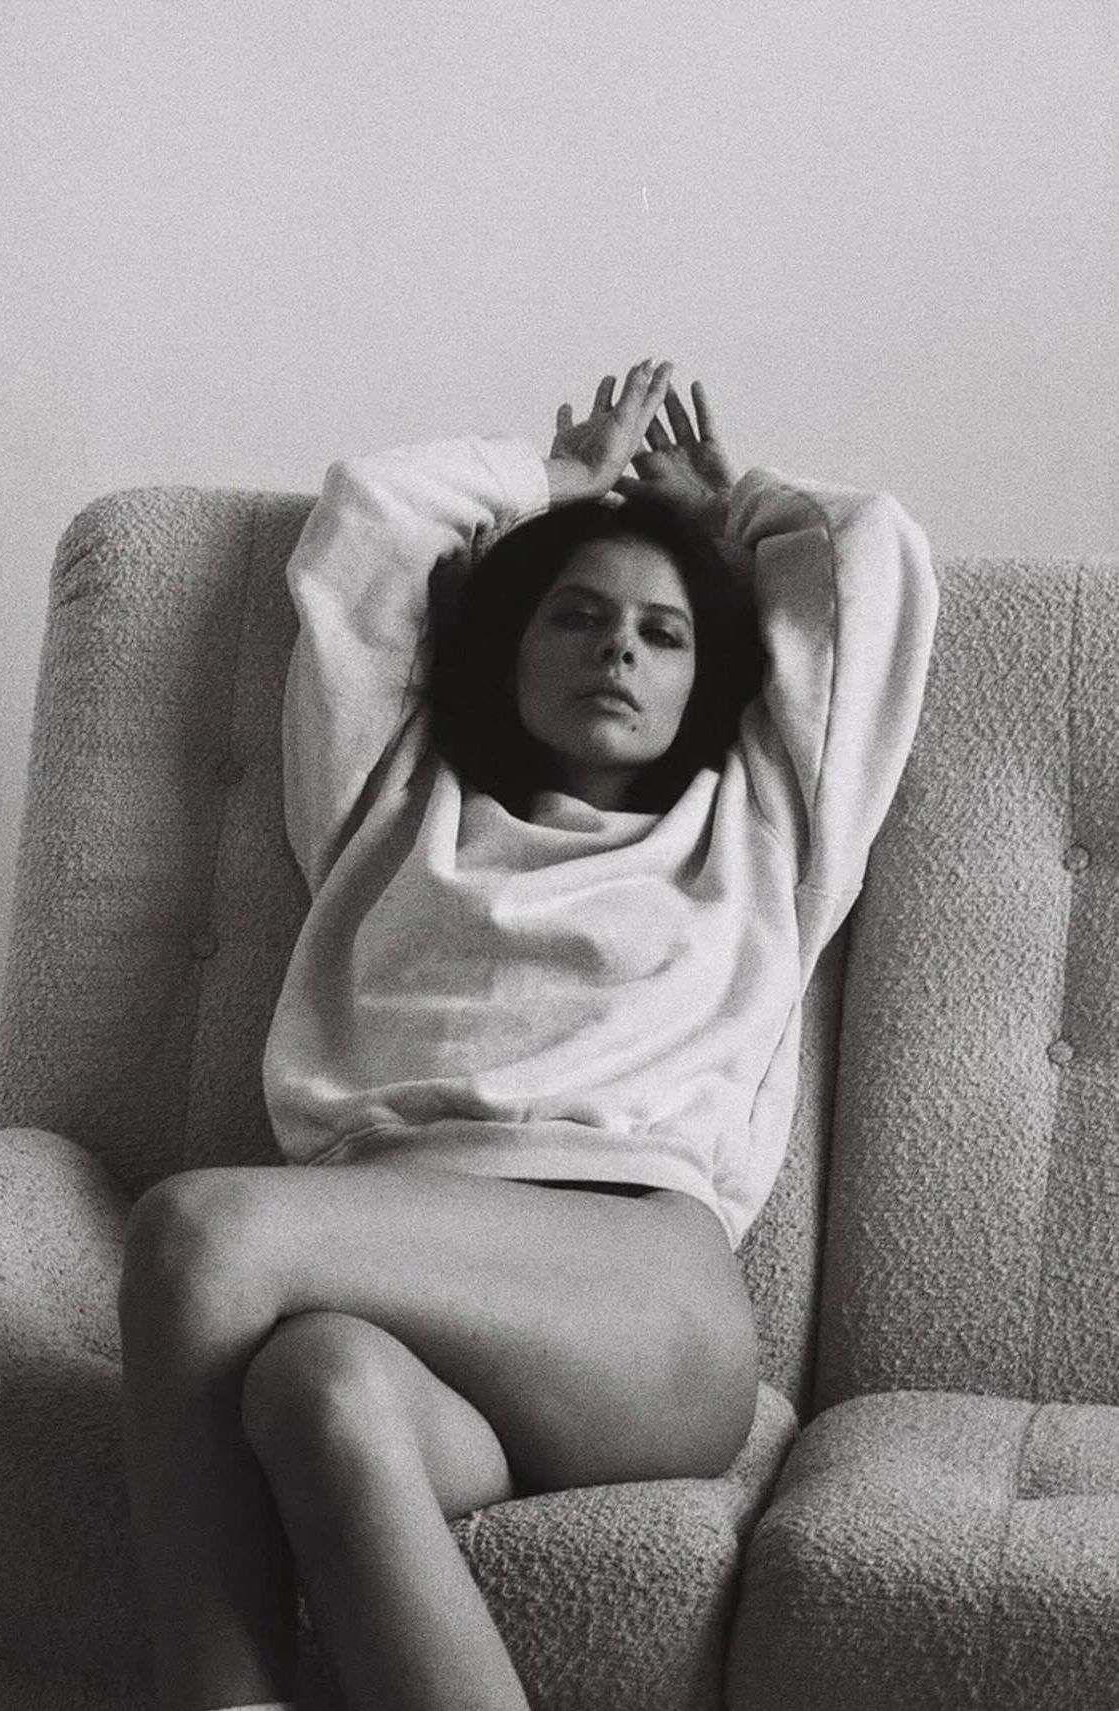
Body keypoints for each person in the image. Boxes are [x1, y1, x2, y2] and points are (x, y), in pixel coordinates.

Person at [116, 359, 940, 1711]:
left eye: (663, 633)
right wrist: (552, 482)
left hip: (641, 1308)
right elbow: (373, 516)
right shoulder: (392, 805)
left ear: (708, 675)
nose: (620, 649)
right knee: (317, 1393)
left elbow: (873, 557)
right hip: (383, 1300)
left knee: (198, 1233)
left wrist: (726, 506)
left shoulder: (757, 829)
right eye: (578, 614)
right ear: (507, 645)